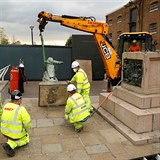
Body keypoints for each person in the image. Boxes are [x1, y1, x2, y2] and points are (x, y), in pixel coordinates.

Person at [0, 90, 32, 157]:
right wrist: (26, 131)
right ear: (19, 100)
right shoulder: (21, 109)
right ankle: (10, 144)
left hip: (4, 132)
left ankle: (10, 142)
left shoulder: (5, 106)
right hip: (15, 135)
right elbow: (28, 124)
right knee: (26, 139)